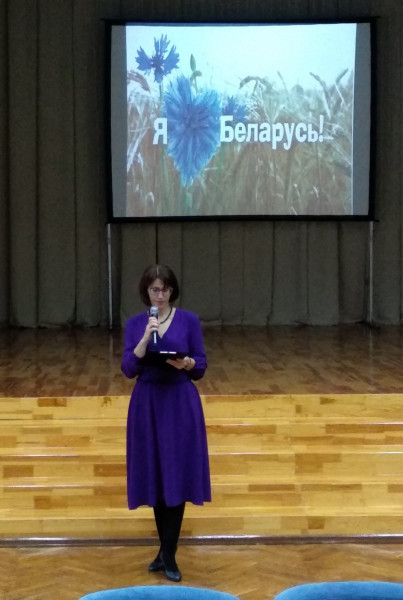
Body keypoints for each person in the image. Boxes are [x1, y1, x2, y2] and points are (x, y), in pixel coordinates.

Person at [121, 264, 211, 583]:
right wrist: (146, 338)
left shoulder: (189, 321)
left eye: (166, 289)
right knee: (156, 476)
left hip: (179, 402)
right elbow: (128, 368)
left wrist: (186, 363)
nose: (160, 295)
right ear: (146, 292)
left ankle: (169, 554)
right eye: (155, 289)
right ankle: (164, 550)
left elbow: (200, 366)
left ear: (173, 290)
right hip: (148, 402)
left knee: (177, 474)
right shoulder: (136, 324)